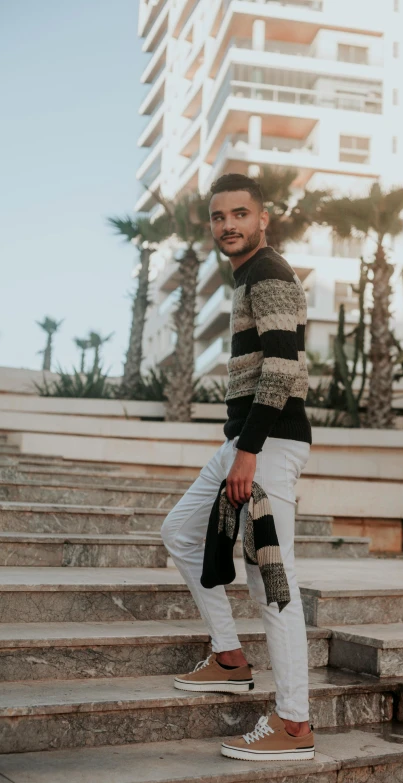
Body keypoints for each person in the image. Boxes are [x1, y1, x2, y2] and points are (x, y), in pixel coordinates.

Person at [160, 173, 314, 762]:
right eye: (219, 216)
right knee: (178, 531)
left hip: (267, 445)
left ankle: (294, 724)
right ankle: (229, 658)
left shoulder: (270, 273)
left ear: (262, 218)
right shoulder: (246, 275)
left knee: (272, 582)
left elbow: (283, 370)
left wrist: (248, 452)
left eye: (240, 214)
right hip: (245, 441)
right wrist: (239, 446)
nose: (229, 225)